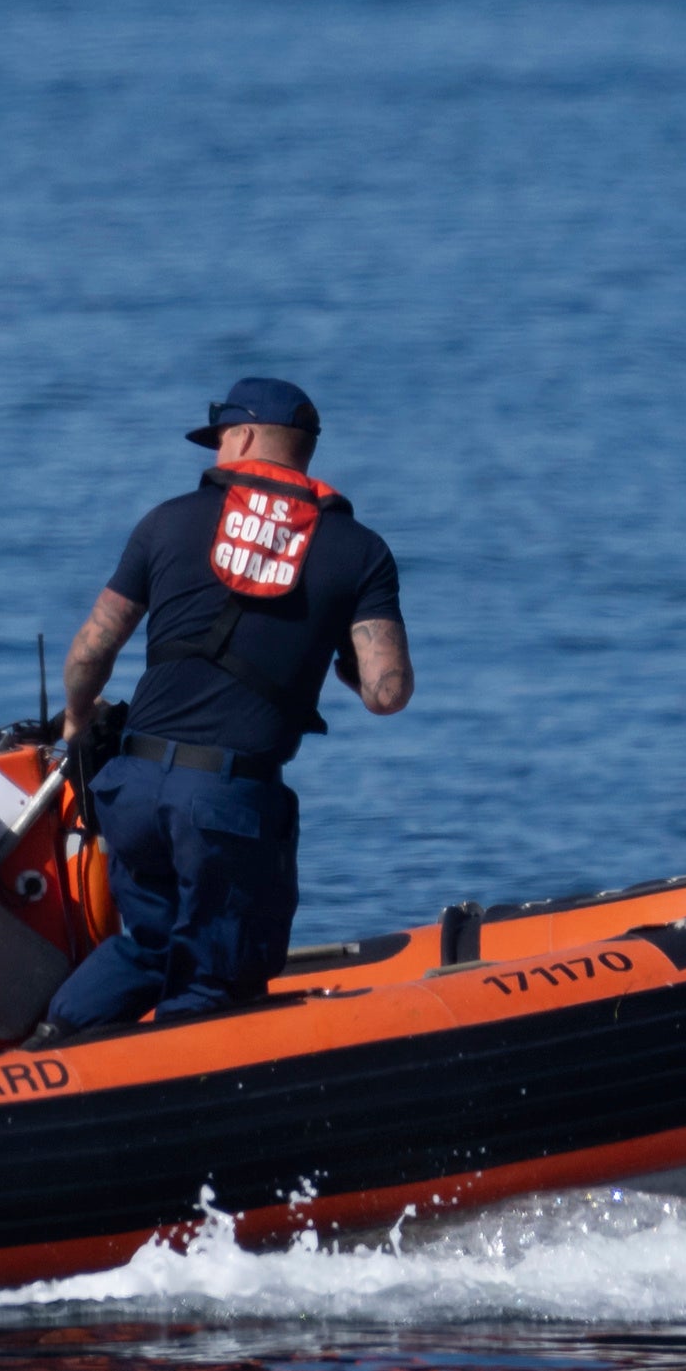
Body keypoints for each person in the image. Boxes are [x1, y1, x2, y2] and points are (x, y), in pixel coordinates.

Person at [39, 374, 409, 1037]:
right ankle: (180, 1109)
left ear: (241, 436)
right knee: (216, 979)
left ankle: (51, 1047)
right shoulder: (359, 550)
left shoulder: (166, 520)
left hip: (132, 788)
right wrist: (331, 650)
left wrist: (75, 716)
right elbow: (388, 692)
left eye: (217, 441)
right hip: (225, 805)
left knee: (147, 946)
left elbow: (91, 650)